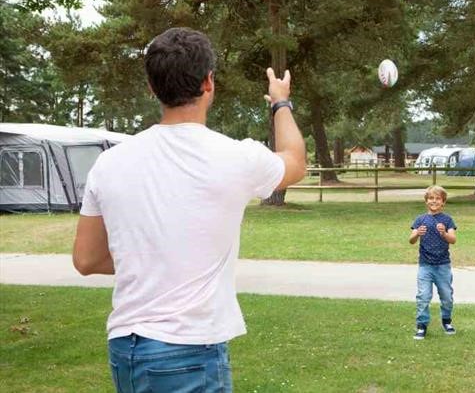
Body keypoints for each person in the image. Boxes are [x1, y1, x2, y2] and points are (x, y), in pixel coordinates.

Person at [72, 27, 306, 392]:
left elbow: (86, 259)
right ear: (209, 82)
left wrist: (152, 257)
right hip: (190, 348)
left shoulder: (109, 163)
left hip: (126, 347)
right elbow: (295, 161)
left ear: (152, 87)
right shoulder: (235, 156)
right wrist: (280, 101)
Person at [408, 185, 458, 340]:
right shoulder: (420, 219)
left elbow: (453, 239)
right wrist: (416, 234)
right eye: (431, 198)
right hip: (425, 266)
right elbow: (411, 240)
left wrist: (443, 233)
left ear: (443, 202)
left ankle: (446, 321)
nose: (434, 201)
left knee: (447, 296)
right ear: (426, 201)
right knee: (423, 295)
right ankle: (421, 325)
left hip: (443, 265)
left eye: (437, 199)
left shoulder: (447, 220)